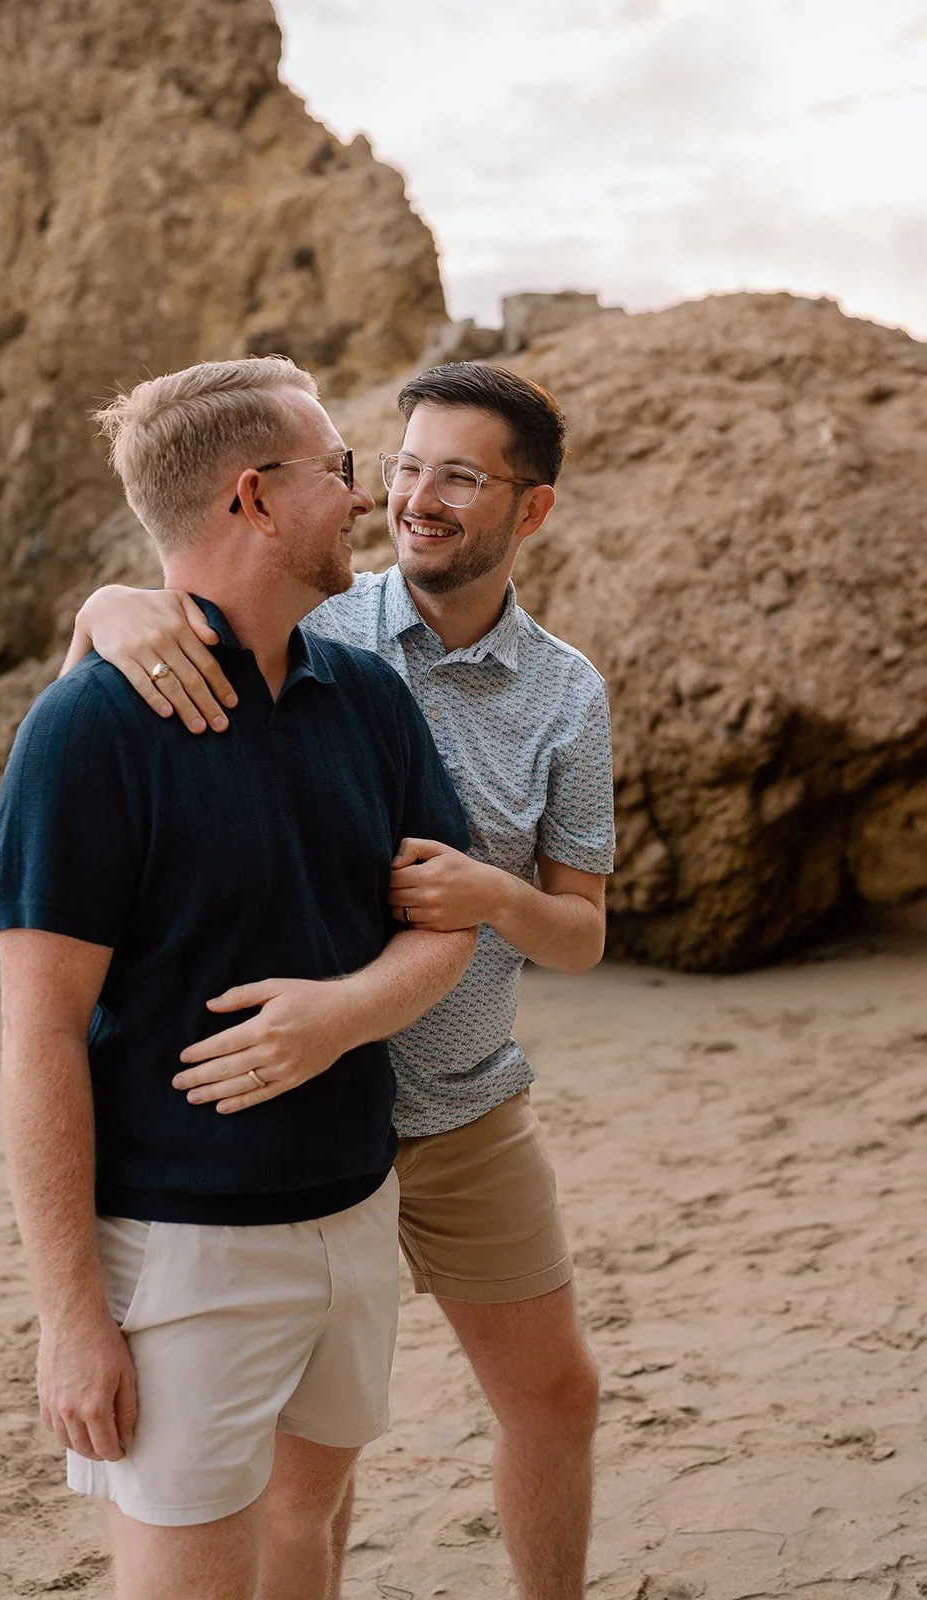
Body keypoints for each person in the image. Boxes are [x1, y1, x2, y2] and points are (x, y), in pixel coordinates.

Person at [66, 360, 616, 1600]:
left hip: (463, 1106)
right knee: (310, 1473)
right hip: (299, 1116)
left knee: (556, 1394)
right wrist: (107, 605)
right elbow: (167, 617)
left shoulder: (566, 694)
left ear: (530, 508)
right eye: (404, 465)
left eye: (459, 477)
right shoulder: (317, 613)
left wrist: (493, 898)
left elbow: (579, 933)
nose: (414, 497)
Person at [0, 355, 477, 1600]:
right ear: (253, 498)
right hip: (179, 1253)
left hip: (356, 1212)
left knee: (307, 1537)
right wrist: (71, 1317)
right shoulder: (88, 729)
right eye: (340, 468)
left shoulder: (366, 697)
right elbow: (39, 1035)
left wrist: (342, 1015)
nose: (362, 496)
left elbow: (449, 922)